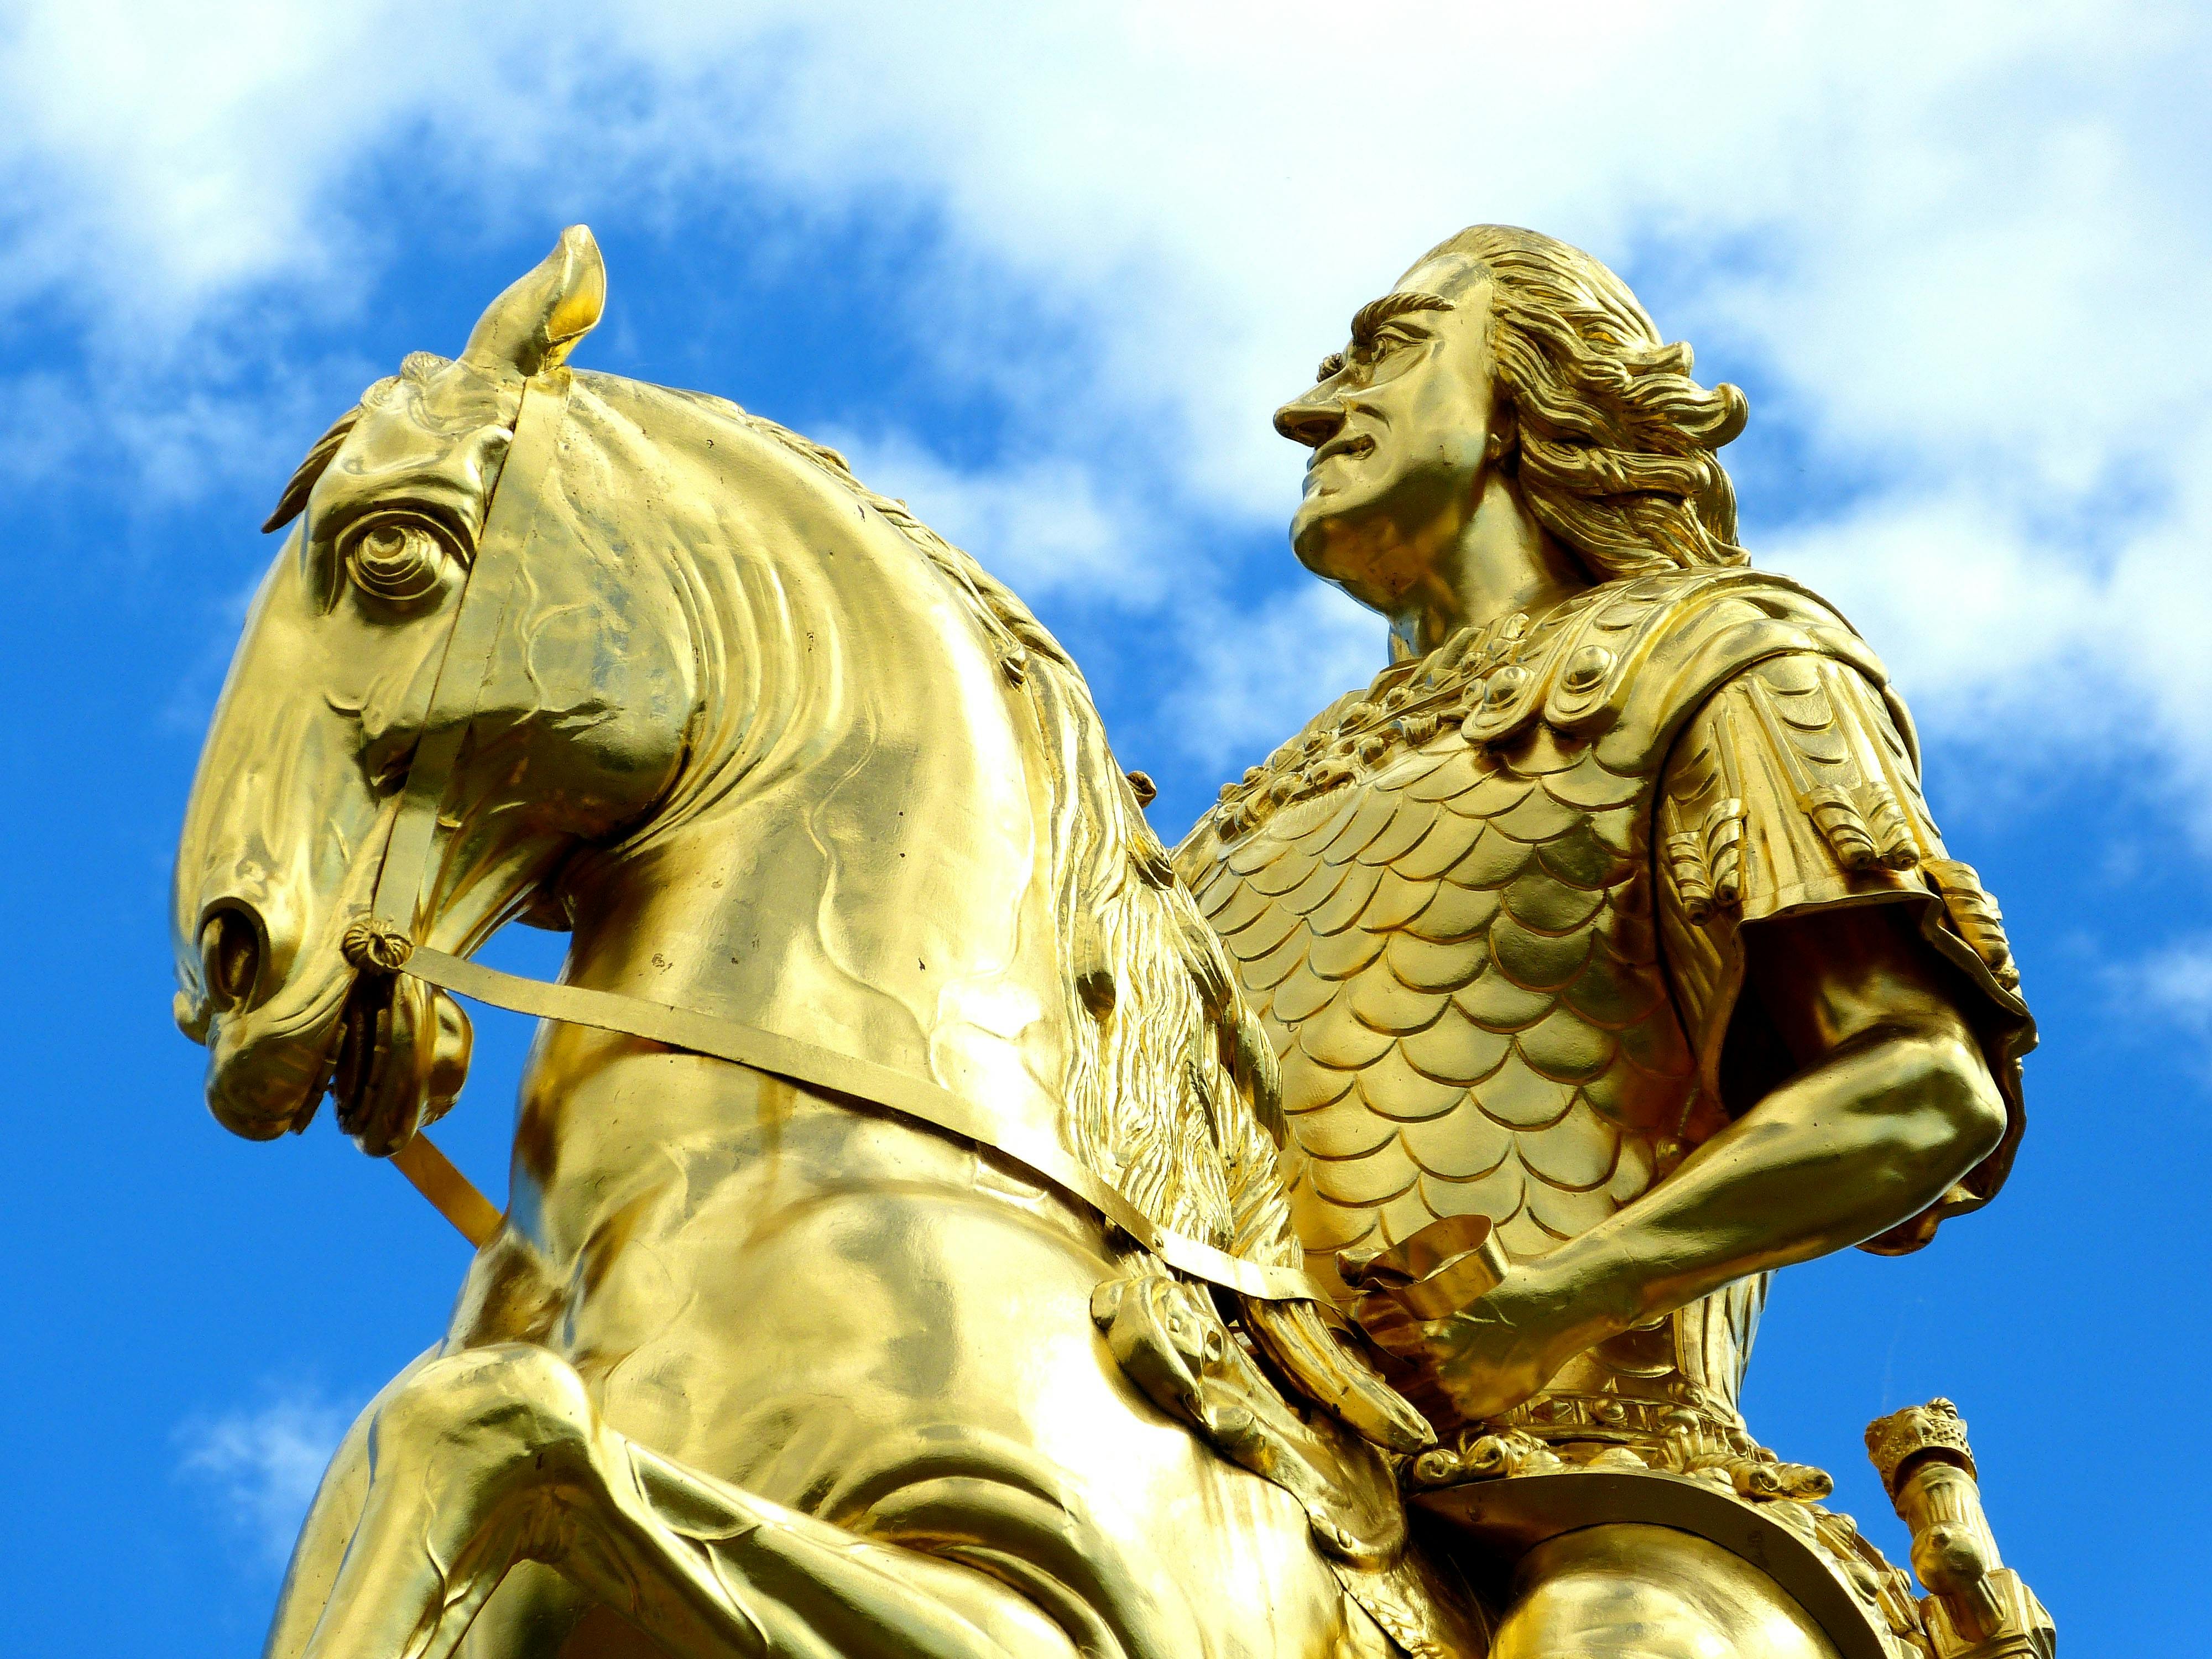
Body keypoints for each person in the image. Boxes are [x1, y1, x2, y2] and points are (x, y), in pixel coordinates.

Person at [1173, 225, 2034, 1657]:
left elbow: (1919, 1088)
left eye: (1388, 348)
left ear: (1537, 393)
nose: (1312, 409)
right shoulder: (1241, 815)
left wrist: (1550, 1304)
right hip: (1234, 1430)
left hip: (1596, 1480)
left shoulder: (1725, 656)